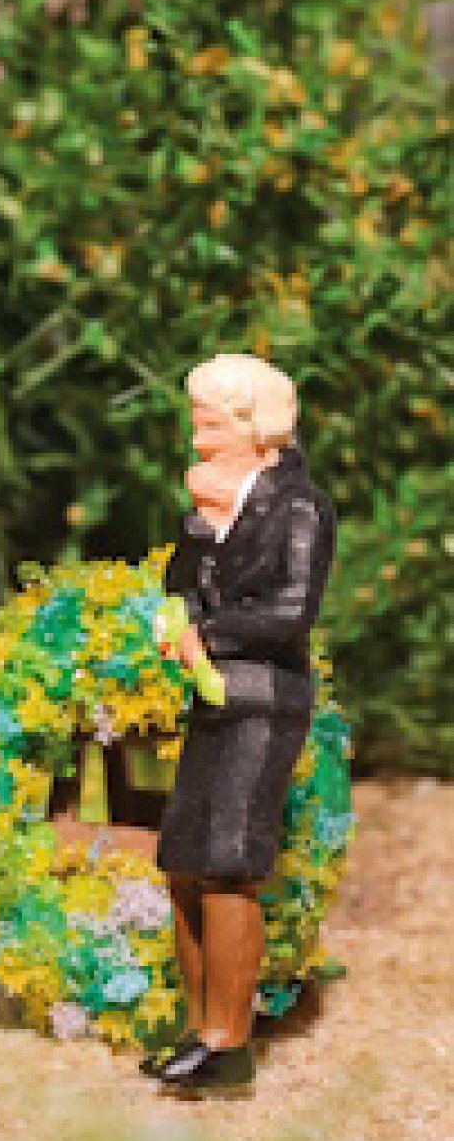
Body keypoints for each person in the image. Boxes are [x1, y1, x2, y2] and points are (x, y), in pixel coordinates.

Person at [148, 352, 337, 1099]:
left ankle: (229, 1044)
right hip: (214, 701)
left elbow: (290, 613)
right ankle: (198, 1031)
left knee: (228, 863)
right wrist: (203, 531)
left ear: (253, 427)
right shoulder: (214, 506)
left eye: (211, 427)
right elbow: (177, 585)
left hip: (262, 700)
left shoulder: (301, 508)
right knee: (184, 860)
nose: (198, 441)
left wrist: (207, 634)